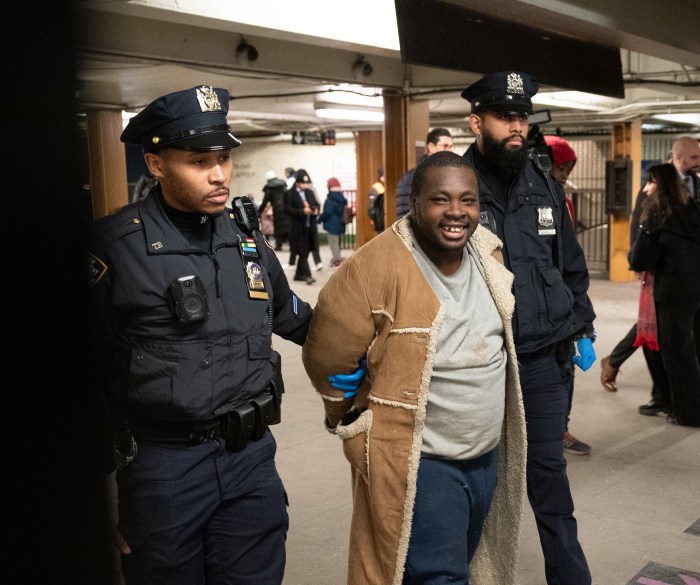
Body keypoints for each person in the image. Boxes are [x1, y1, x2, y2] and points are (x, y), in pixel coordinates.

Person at [86, 85, 314, 585]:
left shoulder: (246, 240)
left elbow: (301, 322)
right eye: (197, 160)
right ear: (155, 164)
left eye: (224, 158)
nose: (219, 174)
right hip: (162, 470)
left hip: (251, 463)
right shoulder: (113, 249)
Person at [302, 151, 526, 585]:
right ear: (415, 204)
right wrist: (350, 411)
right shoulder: (373, 266)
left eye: (468, 200)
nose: (457, 212)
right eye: (440, 199)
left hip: (484, 454)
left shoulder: (487, 253)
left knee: (459, 559)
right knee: (441, 575)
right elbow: (326, 353)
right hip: (423, 460)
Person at [461, 71, 597, 585]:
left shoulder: (542, 181)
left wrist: (581, 324)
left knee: (548, 480)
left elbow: (571, 263)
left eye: (521, 117)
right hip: (481, 361)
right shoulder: (455, 183)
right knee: (475, 481)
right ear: (478, 121)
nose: (517, 126)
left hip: (543, 359)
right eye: (505, 117)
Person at [601, 136, 700, 403]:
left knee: (659, 325)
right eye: (694, 158)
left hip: (687, 269)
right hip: (661, 268)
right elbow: (640, 221)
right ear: (679, 158)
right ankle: (652, 388)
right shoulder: (656, 182)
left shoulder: (695, 183)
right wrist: (638, 260)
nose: (698, 163)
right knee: (652, 324)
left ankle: (661, 389)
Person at [628, 163, 700, 427]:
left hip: (671, 292)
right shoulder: (692, 208)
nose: (646, 188)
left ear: (660, 186)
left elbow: (640, 258)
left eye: (650, 182)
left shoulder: (657, 216)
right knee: (690, 351)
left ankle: (687, 412)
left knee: (675, 354)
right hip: (694, 289)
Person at [542, 135, 590, 456]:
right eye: (562, 166)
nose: (566, 173)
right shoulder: (533, 197)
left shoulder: (562, 199)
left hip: (565, 300)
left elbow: (571, 260)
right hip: (537, 301)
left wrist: (584, 319)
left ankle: (560, 430)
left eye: (570, 167)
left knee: (565, 371)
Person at [395, 128, 454, 219]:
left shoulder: (453, 176)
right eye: (445, 146)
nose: (449, 150)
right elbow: (404, 216)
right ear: (431, 147)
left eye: (451, 146)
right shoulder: (411, 178)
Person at [284, 168, 321, 284]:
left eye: (307, 183)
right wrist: (302, 211)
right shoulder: (289, 193)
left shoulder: (309, 193)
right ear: (298, 183)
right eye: (303, 183)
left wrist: (316, 211)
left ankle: (299, 275)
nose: (306, 185)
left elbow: (316, 204)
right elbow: (287, 209)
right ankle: (308, 276)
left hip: (310, 227)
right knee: (303, 251)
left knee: (305, 250)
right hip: (297, 227)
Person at [318, 177, 347, 267]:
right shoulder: (341, 197)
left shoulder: (331, 199)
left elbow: (327, 212)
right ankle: (337, 257)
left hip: (332, 224)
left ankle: (336, 260)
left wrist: (319, 219)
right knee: (337, 242)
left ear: (330, 187)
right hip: (340, 223)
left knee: (333, 243)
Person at [260, 169, 290, 251]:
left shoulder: (269, 187)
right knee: (287, 226)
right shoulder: (283, 184)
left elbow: (265, 201)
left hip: (277, 210)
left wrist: (259, 211)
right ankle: (291, 244)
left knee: (278, 227)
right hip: (286, 208)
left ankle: (279, 245)